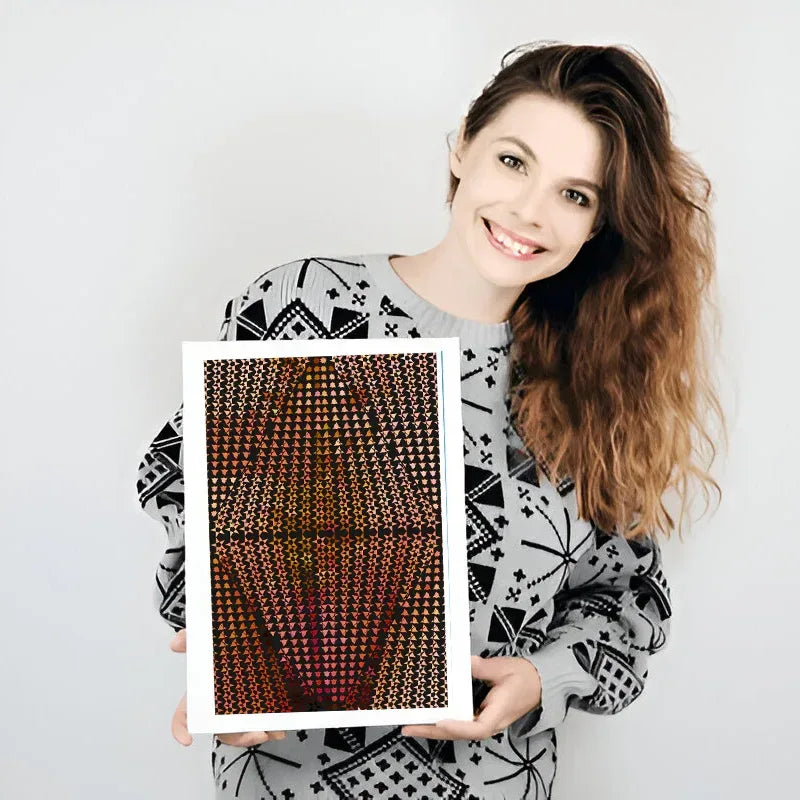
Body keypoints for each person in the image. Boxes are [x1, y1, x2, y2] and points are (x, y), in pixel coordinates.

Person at [136, 41, 725, 800]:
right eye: (514, 162)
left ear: (597, 227)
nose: (528, 211)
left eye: (575, 195)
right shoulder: (306, 306)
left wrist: (539, 678)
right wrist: (227, 653)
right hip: (289, 779)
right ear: (462, 149)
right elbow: (185, 492)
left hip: (491, 782)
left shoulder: (594, 385)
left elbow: (628, 601)